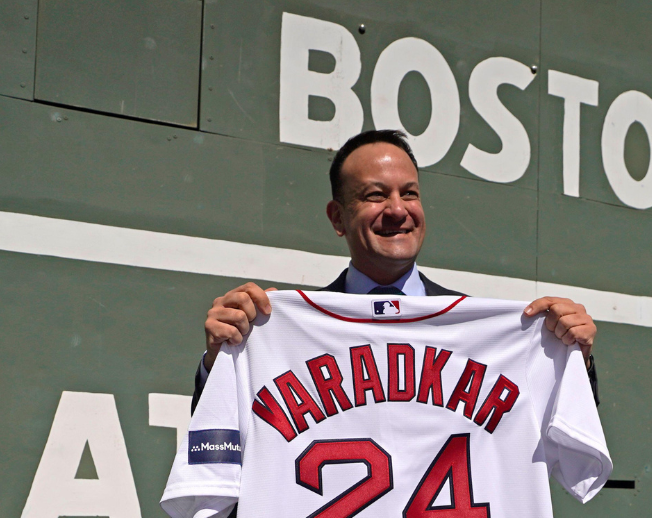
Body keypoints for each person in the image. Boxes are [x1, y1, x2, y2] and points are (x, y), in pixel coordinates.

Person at [192, 129, 599, 409]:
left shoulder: (483, 333)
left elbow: (564, 432)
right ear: (337, 218)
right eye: (375, 195)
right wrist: (221, 361)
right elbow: (222, 444)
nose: (397, 210)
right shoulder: (283, 330)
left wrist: (575, 357)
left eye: (410, 194)